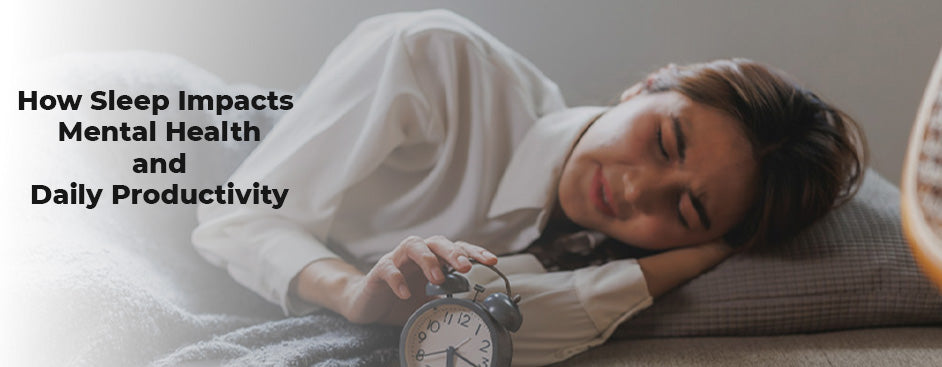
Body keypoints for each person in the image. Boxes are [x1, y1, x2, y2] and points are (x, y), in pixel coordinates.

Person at [192, 9, 866, 366]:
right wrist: (351, 290)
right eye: (663, 141)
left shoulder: (585, 252)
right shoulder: (436, 58)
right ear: (648, 84)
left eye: (686, 209)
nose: (636, 192)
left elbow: (517, 330)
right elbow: (233, 218)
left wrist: (702, 255)